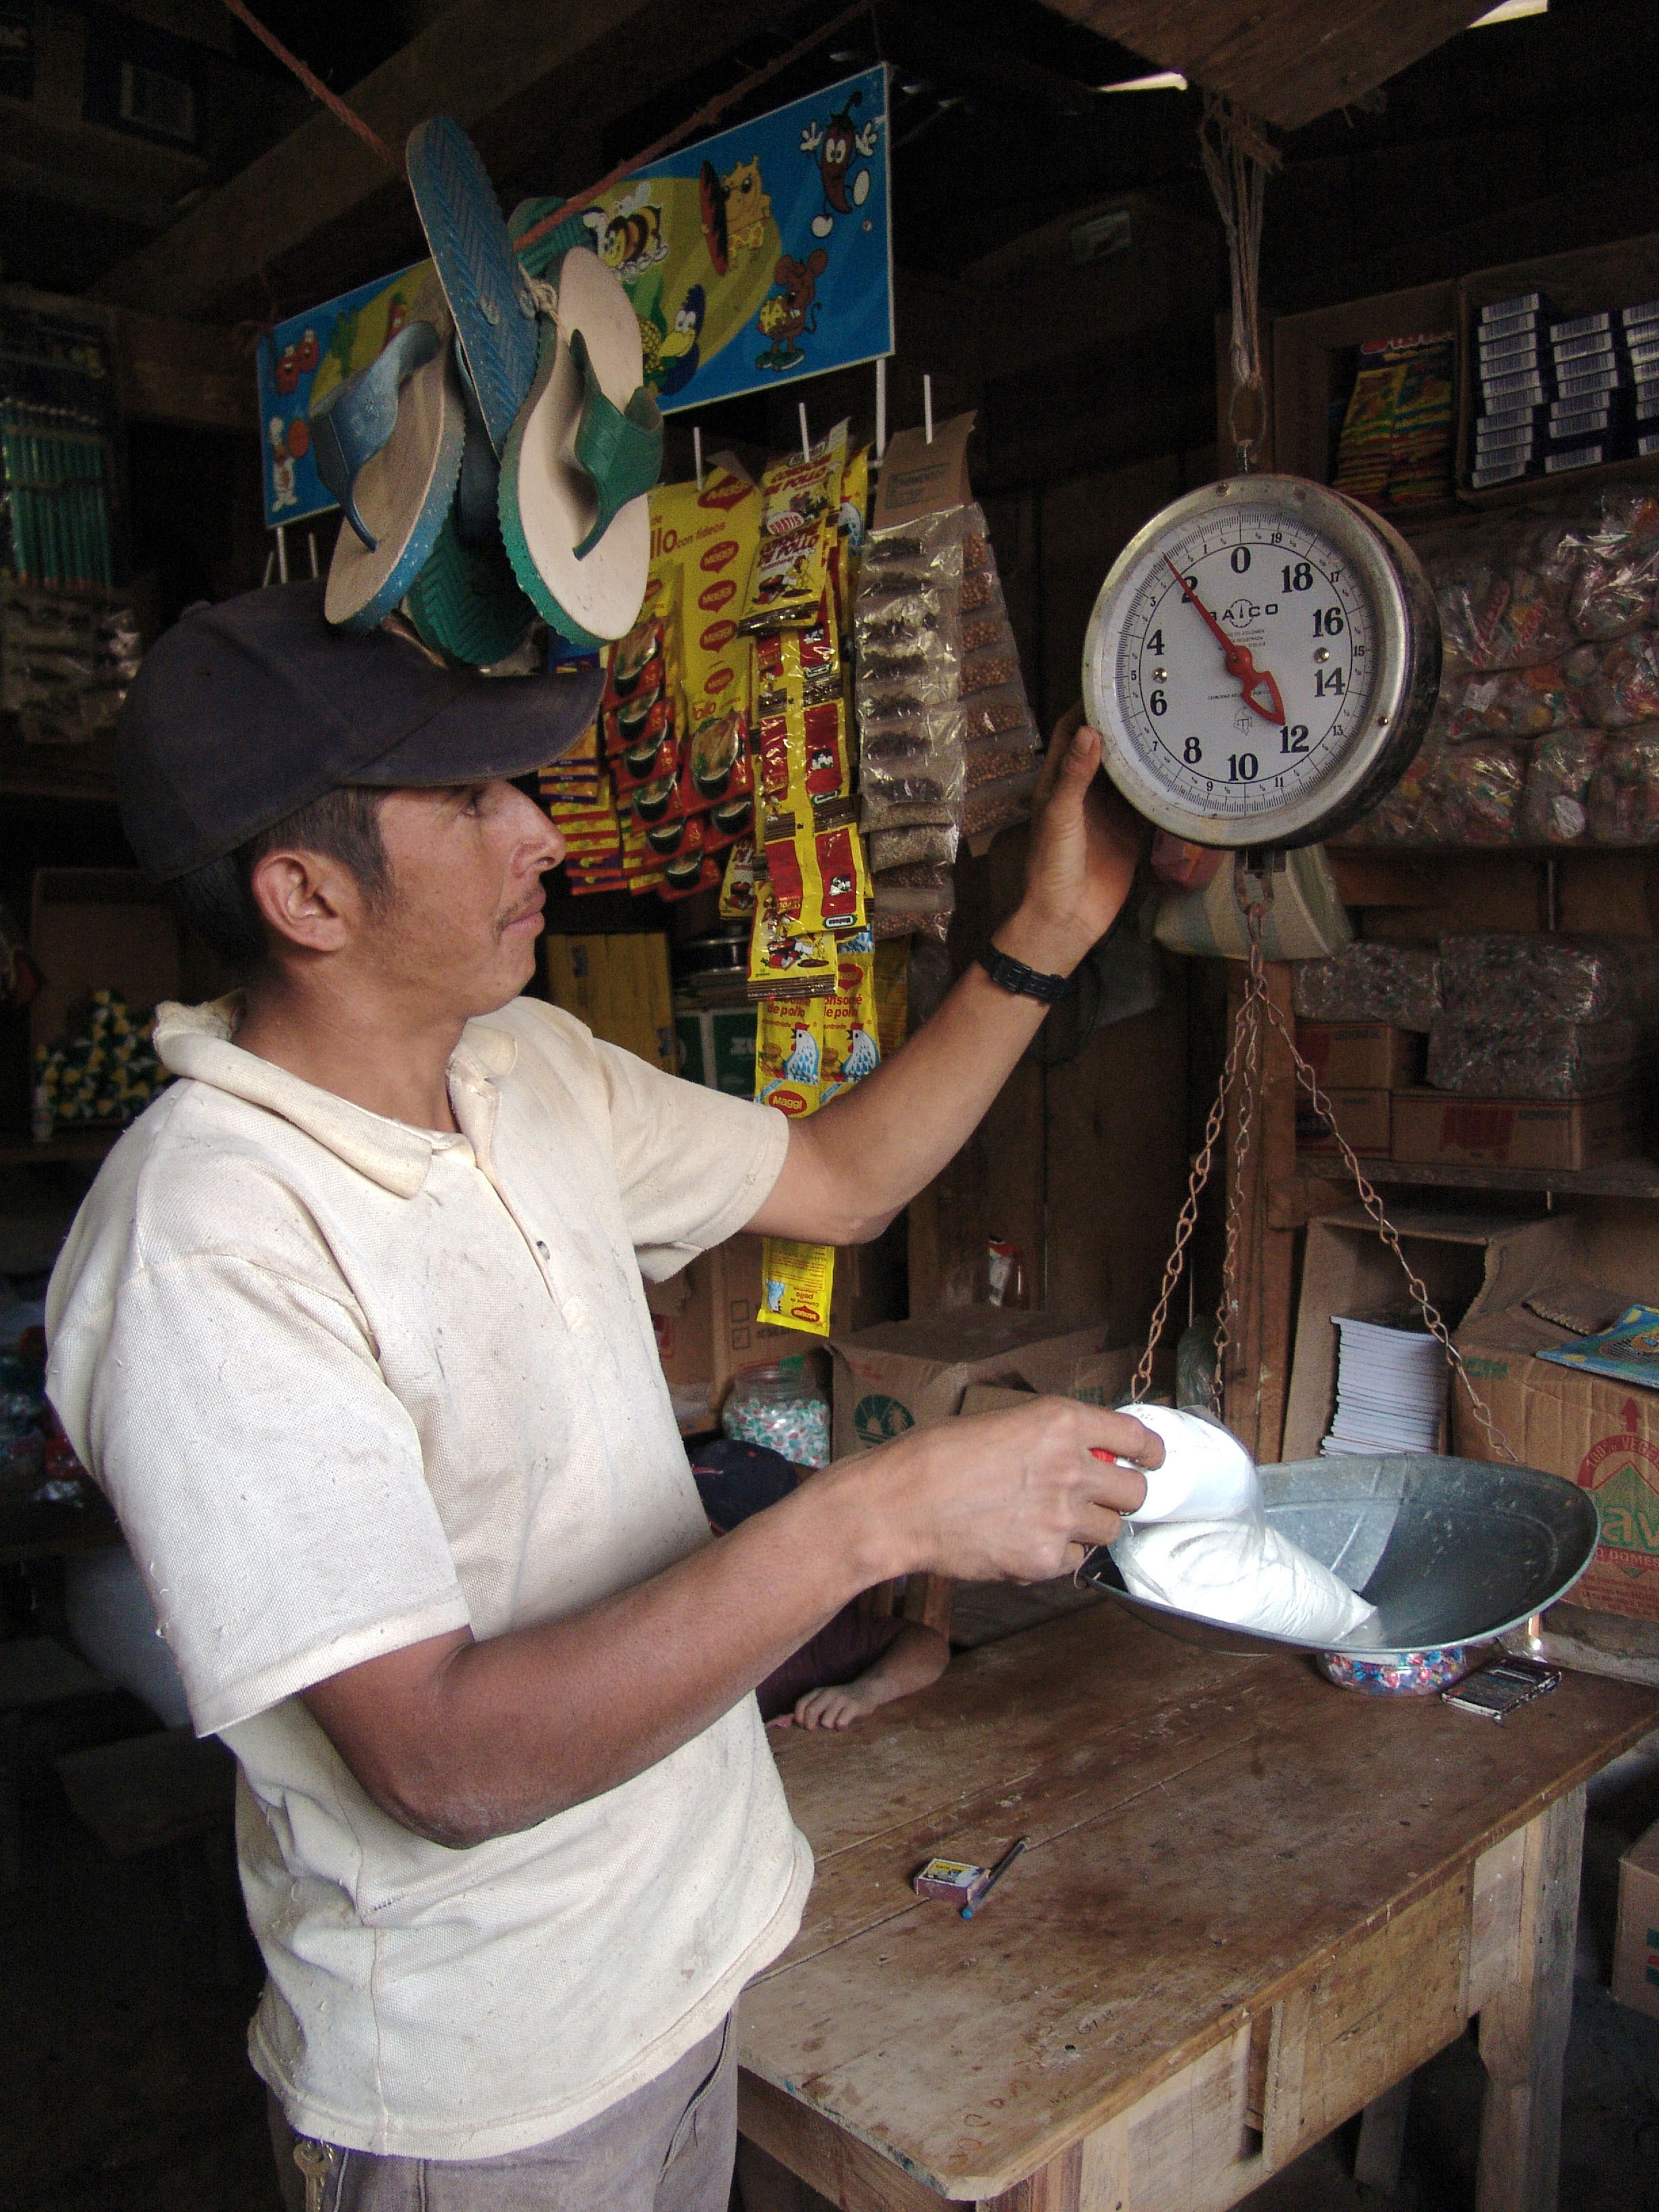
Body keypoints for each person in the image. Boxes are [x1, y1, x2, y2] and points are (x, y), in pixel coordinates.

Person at [45, 581, 1160, 2212]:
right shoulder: (205, 1242)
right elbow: (436, 1759)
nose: (542, 837)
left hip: (684, 1963)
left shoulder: (525, 1066)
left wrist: (1046, 934)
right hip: (484, 2091)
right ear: (304, 892)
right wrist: (881, 1513)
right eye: (470, 800)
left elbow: (843, 1177)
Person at [689, 1437, 951, 1729]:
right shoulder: (675, 1631)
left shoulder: (811, 1630)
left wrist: (867, 1691)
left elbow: (928, 1646)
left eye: (729, 1553)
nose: (705, 1571)